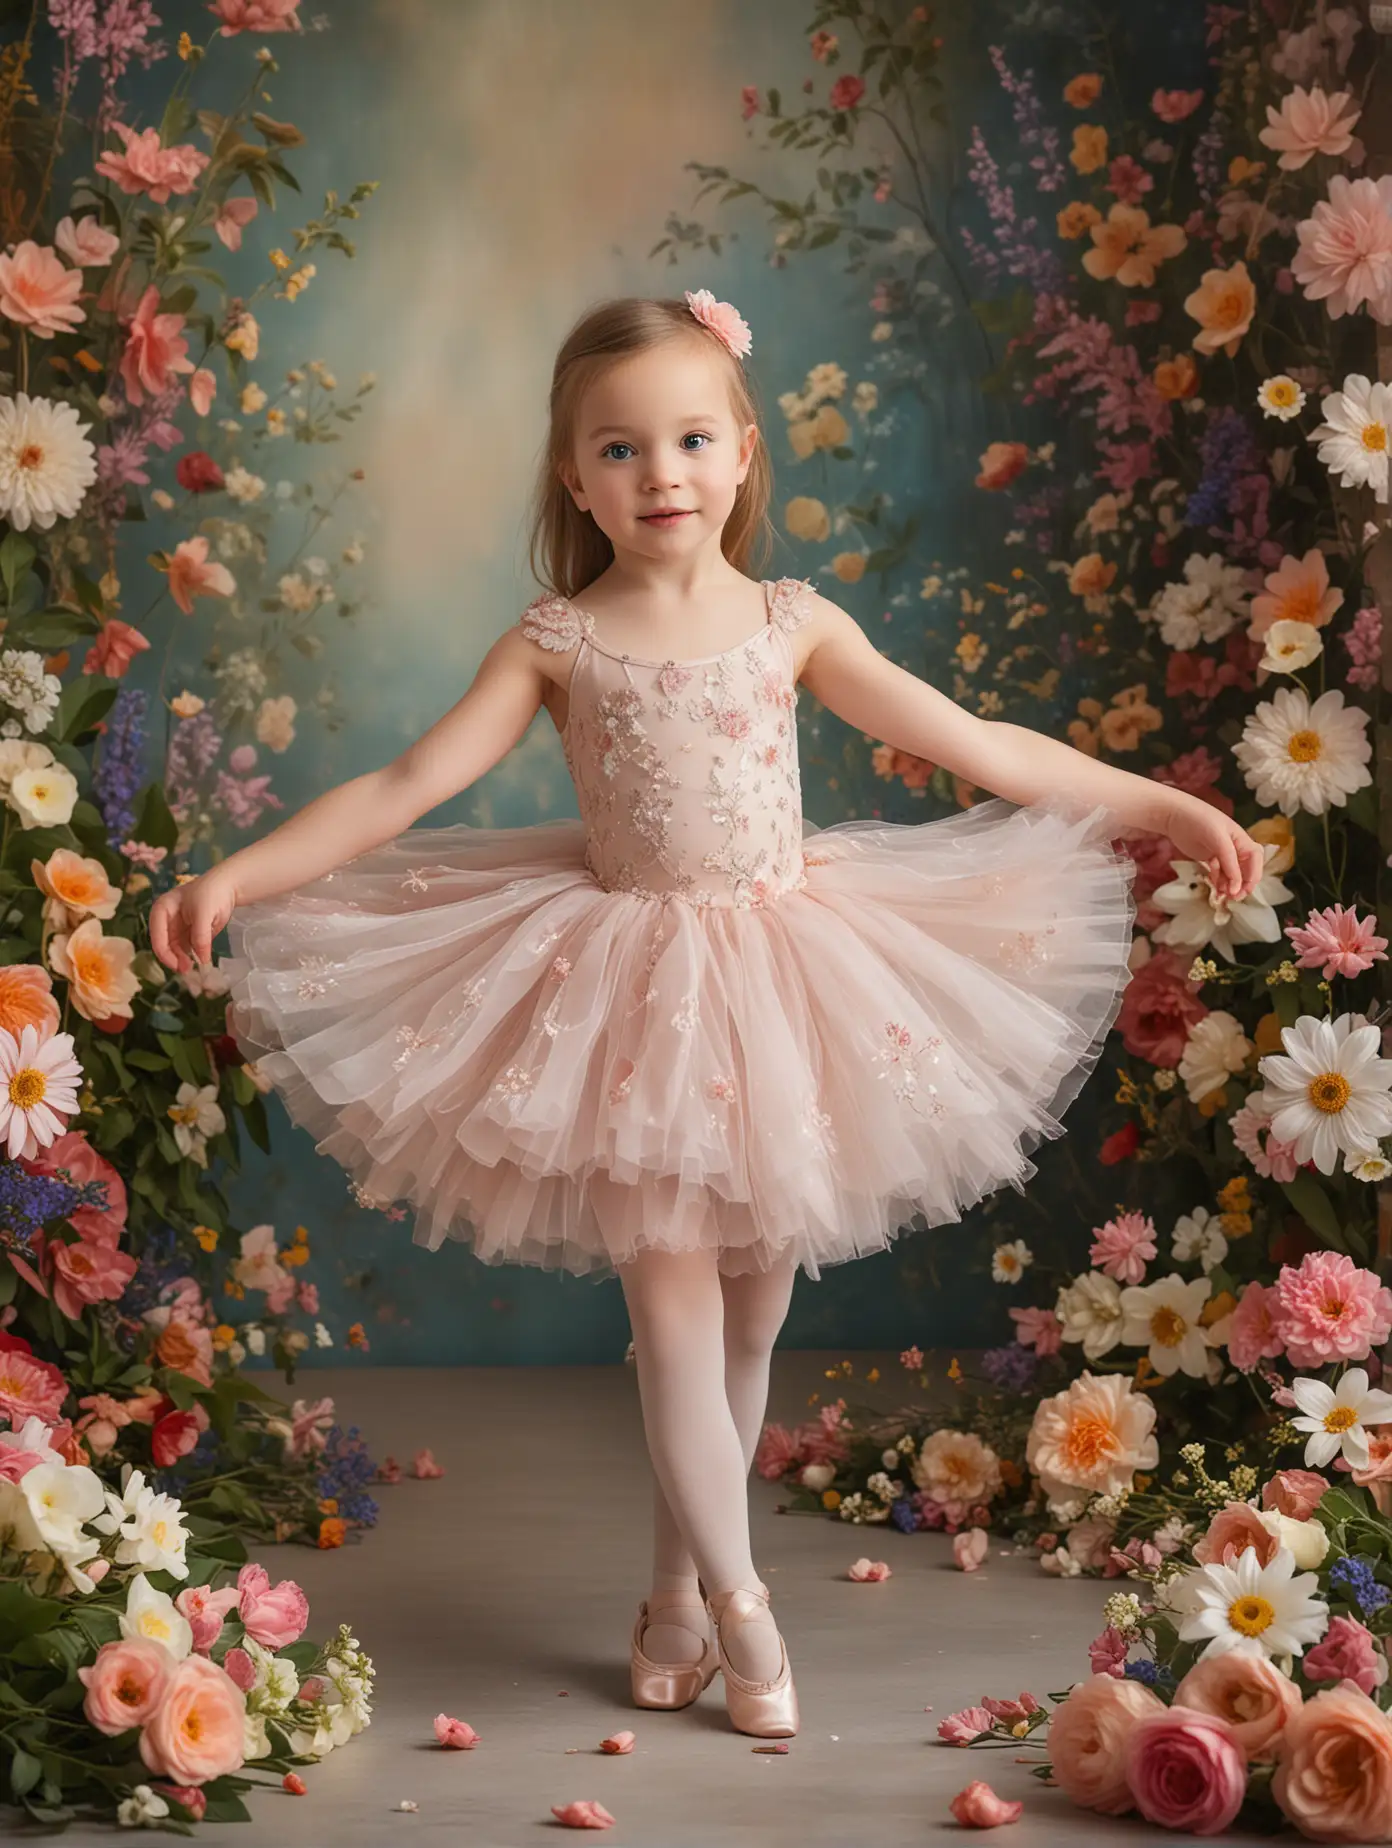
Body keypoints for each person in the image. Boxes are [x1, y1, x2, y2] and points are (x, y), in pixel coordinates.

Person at [149, 288, 1263, 1740]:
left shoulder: (791, 626)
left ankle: (677, 1585)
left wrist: (1166, 802)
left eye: (687, 438)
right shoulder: (558, 642)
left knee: (751, 1331)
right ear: (573, 476)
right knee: (673, 1317)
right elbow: (403, 789)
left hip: (789, 986)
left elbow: (983, 746)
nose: (658, 472)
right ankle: (745, 1609)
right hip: (632, 1006)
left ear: (741, 453)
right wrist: (236, 871)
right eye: (619, 449)